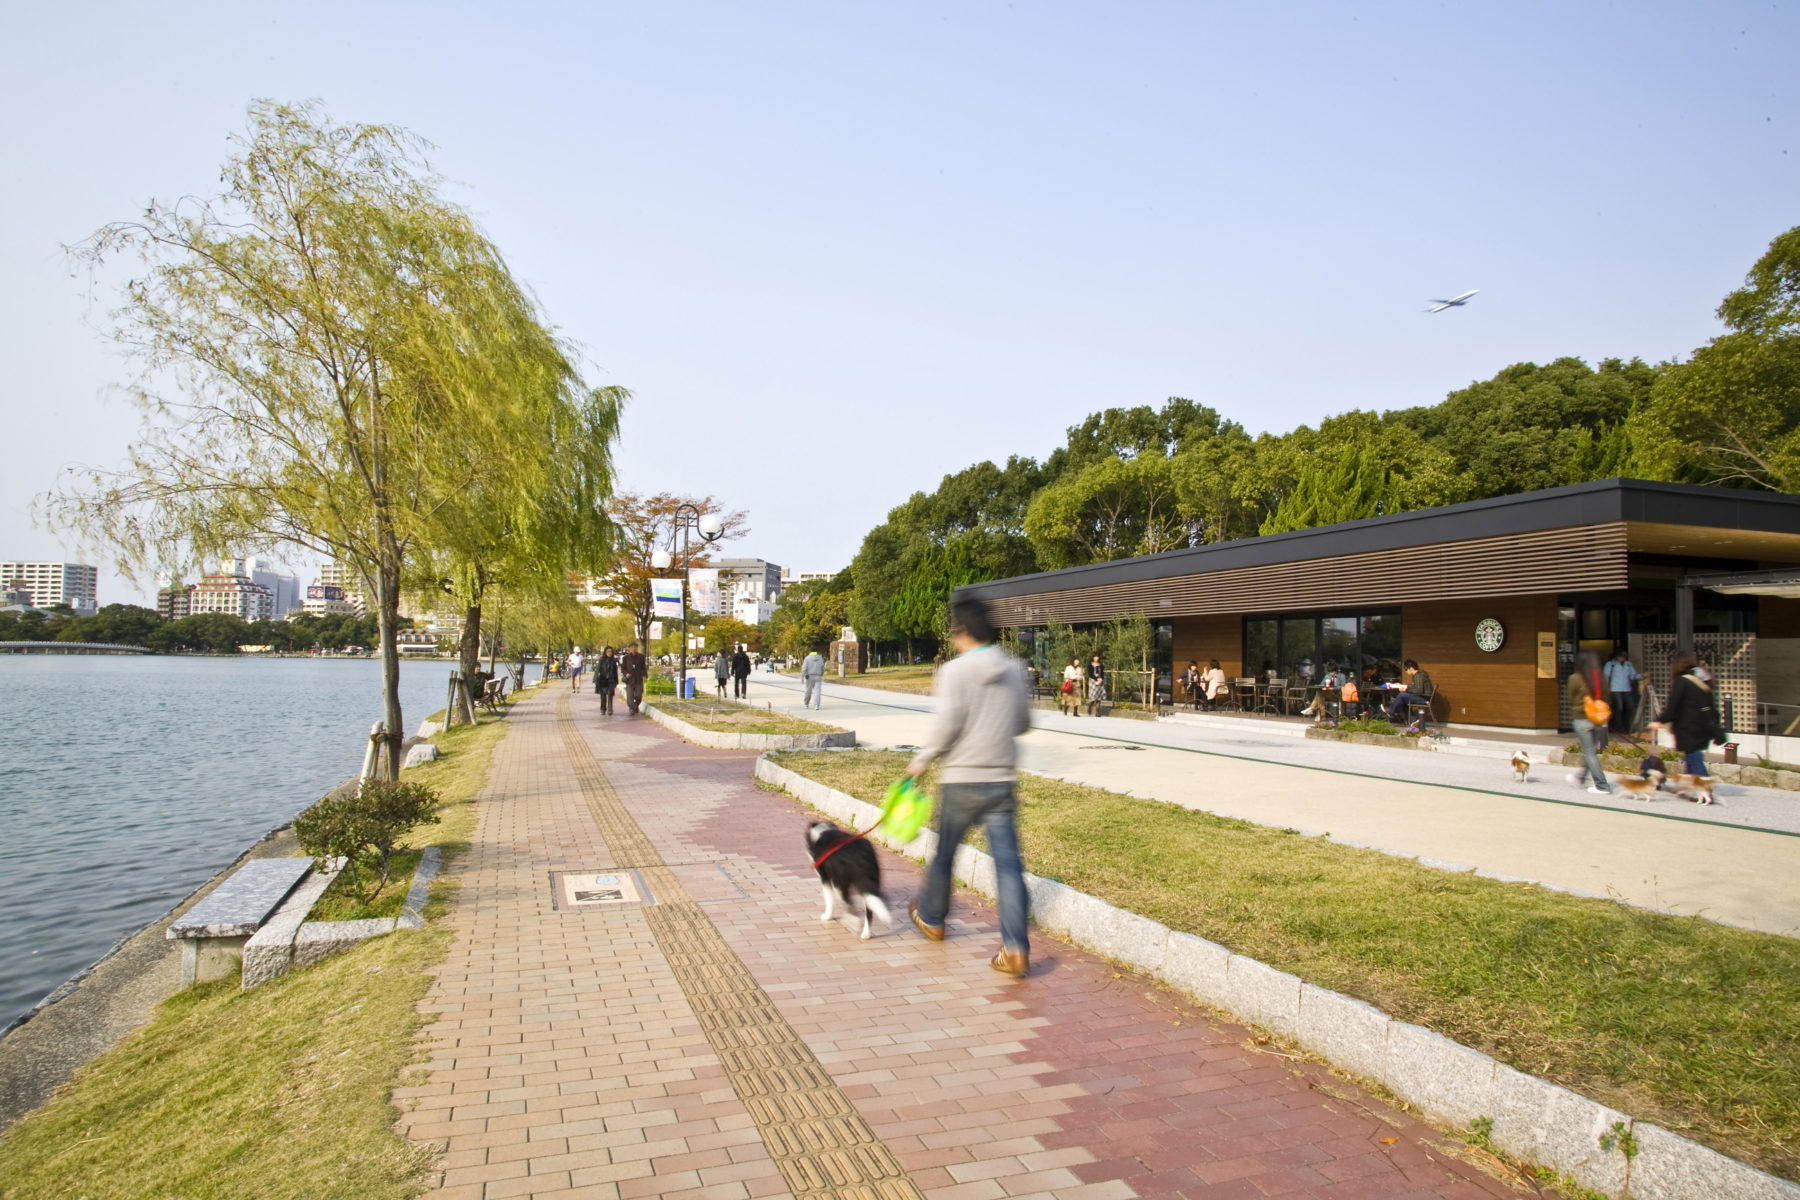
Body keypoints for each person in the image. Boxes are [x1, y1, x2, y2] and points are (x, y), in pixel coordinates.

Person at [906, 597, 1033, 977]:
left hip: (961, 779)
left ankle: (931, 917)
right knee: (1009, 866)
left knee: (945, 854)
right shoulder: (1015, 669)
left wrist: (923, 758)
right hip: (1001, 780)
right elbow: (1024, 722)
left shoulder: (954, 672)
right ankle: (1014, 947)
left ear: (961, 632)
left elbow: (948, 725)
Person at [1652, 650, 1724, 780]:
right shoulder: (1703, 678)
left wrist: (1659, 720)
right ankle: (1691, 788)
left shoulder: (1682, 681)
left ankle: (1705, 788)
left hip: (1688, 728)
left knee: (1693, 757)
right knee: (1692, 757)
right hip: (1704, 727)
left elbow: (1673, 706)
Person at [1565, 650, 1614, 794]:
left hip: (1581, 719)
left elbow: (1571, 698)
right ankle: (1579, 778)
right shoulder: (1601, 678)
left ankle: (1602, 785)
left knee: (1589, 752)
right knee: (1590, 751)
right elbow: (1607, 698)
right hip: (1598, 719)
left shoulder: (1575, 678)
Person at [1603, 648, 1641, 736]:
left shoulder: (1628, 664)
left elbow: (1633, 676)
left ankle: (1626, 727)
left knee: (1630, 707)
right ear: (1616, 657)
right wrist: (1606, 689)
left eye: (1624, 657)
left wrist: (1641, 676)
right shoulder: (1610, 664)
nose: (1622, 659)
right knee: (1618, 708)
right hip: (1615, 689)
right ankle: (1619, 728)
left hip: (1626, 689)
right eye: (1621, 657)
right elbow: (1605, 677)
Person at [620, 641, 648, 715]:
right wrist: (626, 674)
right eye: (632, 647)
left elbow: (644, 668)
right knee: (630, 697)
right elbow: (623, 668)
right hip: (630, 680)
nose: (633, 649)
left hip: (638, 679)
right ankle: (632, 709)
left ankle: (634, 707)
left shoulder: (641, 657)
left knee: (638, 695)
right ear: (629, 649)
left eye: (635, 647)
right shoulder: (625, 658)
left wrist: (645, 676)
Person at [593, 646, 619, 715]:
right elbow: (597, 670)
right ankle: (603, 709)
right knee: (603, 697)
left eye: (611, 651)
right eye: (608, 651)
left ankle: (610, 709)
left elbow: (615, 672)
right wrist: (595, 680)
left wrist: (616, 681)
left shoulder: (613, 661)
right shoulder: (601, 660)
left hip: (611, 681)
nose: (610, 653)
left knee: (610, 694)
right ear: (605, 652)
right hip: (603, 680)